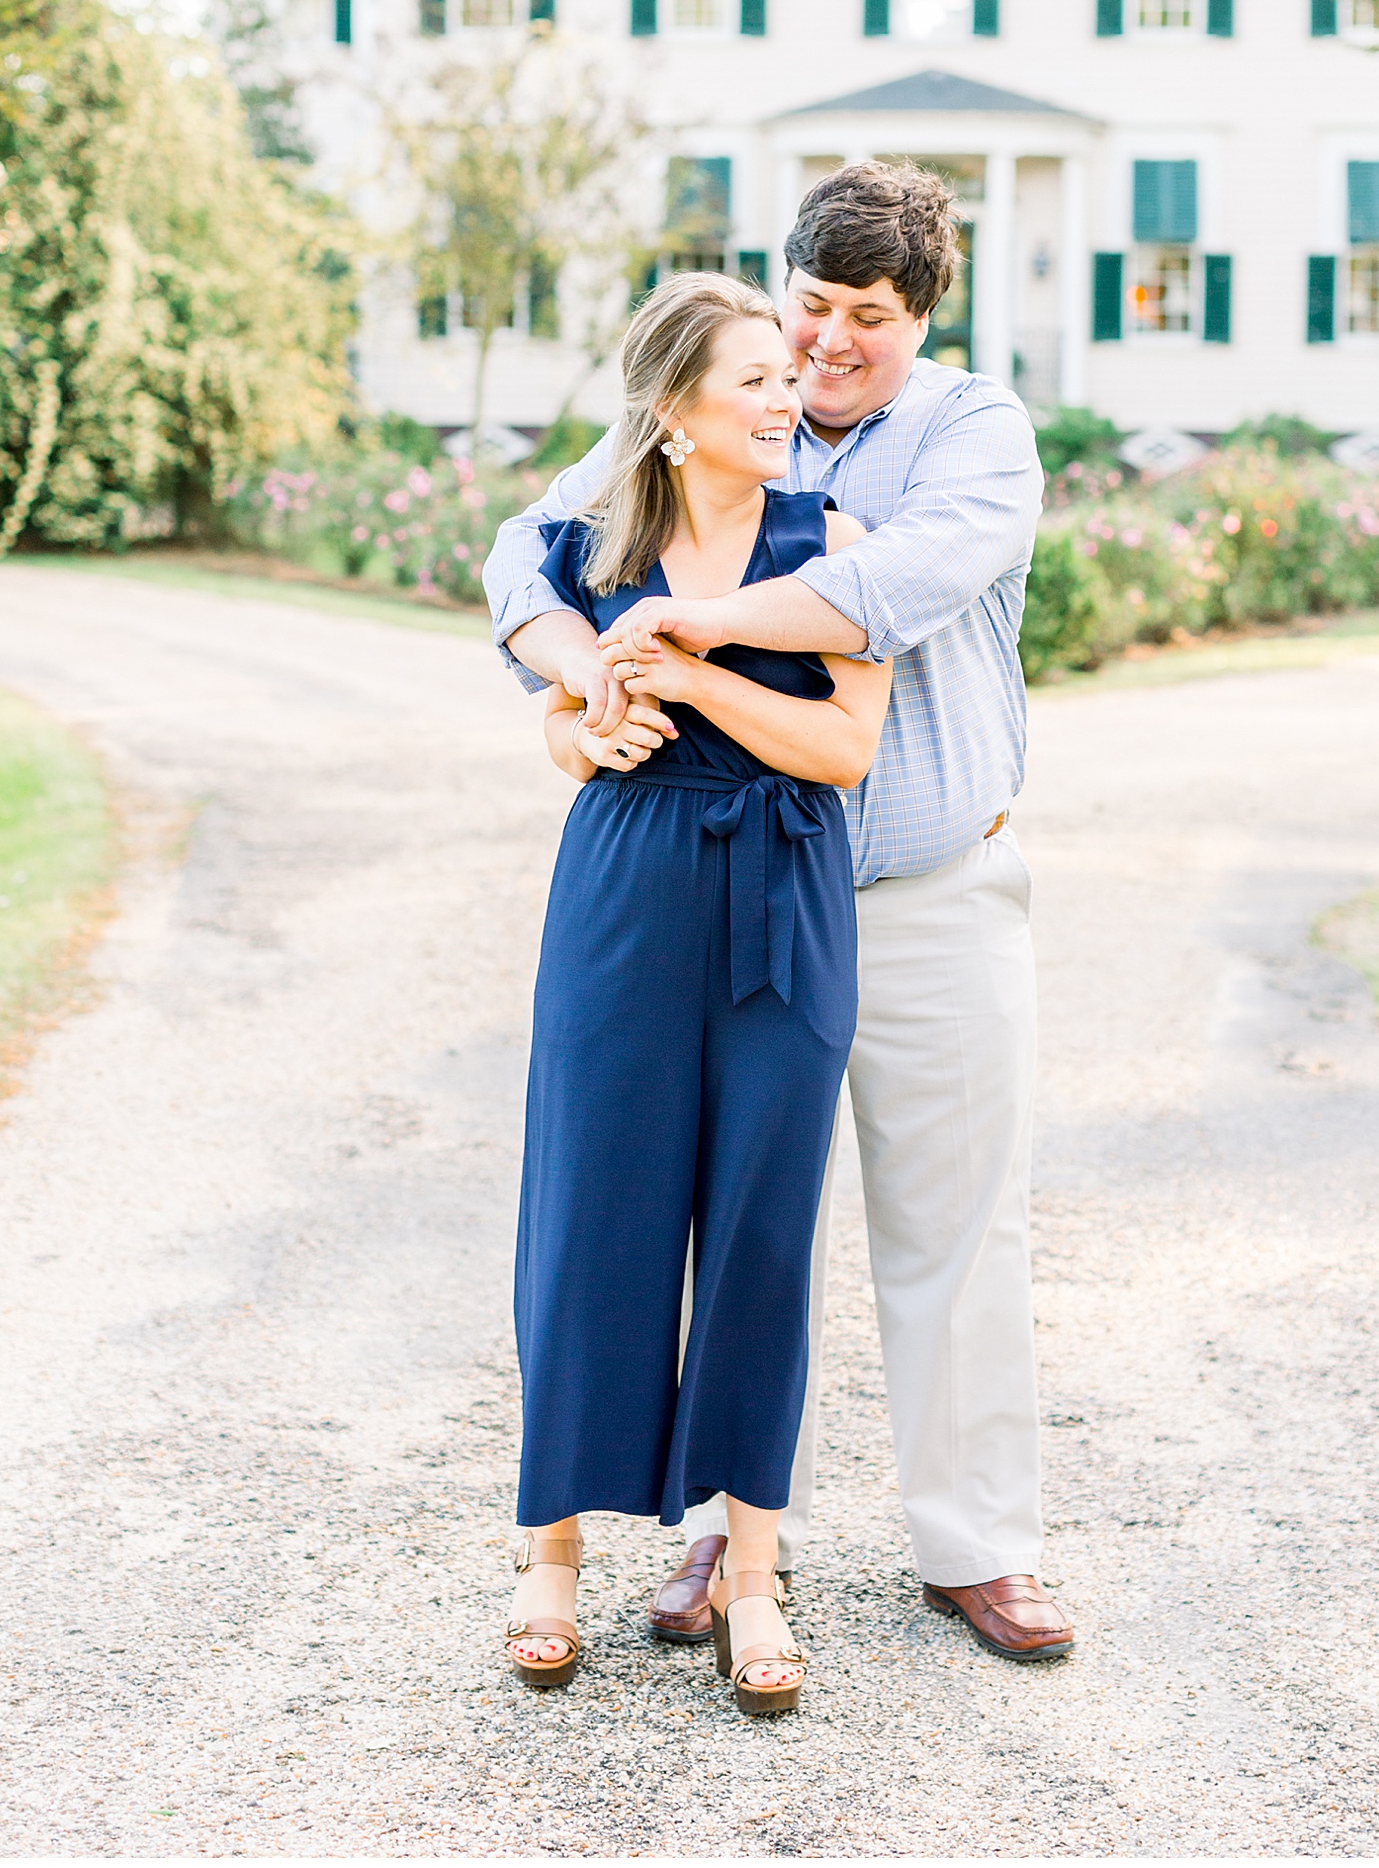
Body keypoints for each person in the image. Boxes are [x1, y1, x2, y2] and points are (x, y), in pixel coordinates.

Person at [485, 160, 1076, 1664]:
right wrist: (582, 669)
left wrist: (687, 631)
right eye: (808, 305)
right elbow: (528, 554)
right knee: (733, 1217)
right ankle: (726, 1542)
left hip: (930, 888)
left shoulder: (970, 434)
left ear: (921, 315)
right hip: (732, 899)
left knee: (955, 1224)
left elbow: (892, 589)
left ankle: (979, 1546)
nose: (827, 341)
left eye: (864, 317)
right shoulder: (714, 400)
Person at [503, 271, 891, 1712]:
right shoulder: (595, 540)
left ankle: (752, 1574)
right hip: (624, 887)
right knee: (589, 1203)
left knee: (760, 1233)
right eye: (753, 380)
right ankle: (549, 1555)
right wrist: (589, 729)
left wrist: (696, 662)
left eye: (783, 377)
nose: (787, 396)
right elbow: (557, 718)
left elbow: (847, 745)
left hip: (786, 893)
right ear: (672, 413)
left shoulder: (837, 542)